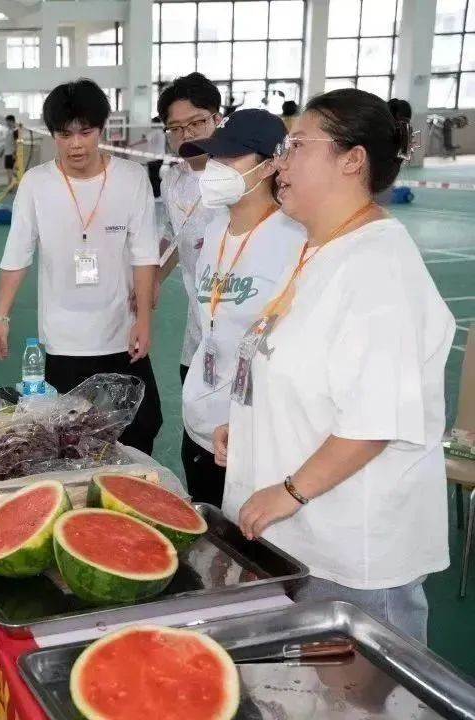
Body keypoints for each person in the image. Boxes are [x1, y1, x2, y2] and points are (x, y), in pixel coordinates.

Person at [215, 89, 454, 642]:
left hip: (349, 556)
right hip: (296, 543)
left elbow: (373, 421)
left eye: (297, 145)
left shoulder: (378, 265)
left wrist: (290, 491)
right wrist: (253, 422)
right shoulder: (320, 247)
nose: (281, 161)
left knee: (365, 688)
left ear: (352, 159)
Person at [0, 78, 163, 455]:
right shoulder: (36, 183)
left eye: (86, 132)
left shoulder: (131, 179)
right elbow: (17, 253)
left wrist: (144, 320)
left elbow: (144, 253)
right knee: (68, 440)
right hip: (63, 337)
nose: (76, 144)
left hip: (120, 331)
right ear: (53, 135)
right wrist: (0, 316)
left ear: (102, 129)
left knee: (142, 425)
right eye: (65, 135)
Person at [176, 109, 305, 507]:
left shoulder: (294, 239)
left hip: (252, 434)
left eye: (231, 158)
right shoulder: (215, 229)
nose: (216, 167)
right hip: (200, 423)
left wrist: (250, 426)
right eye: (215, 156)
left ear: (269, 166)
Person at [157, 72, 224, 388]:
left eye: (197, 122)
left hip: (243, 334)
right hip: (197, 335)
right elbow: (173, 235)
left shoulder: (242, 176)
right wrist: (151, 280)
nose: (187, 134)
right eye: (176, 128)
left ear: (217, 120)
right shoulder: (172, 180)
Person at [4, 114, 19, 186]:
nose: (6, 123)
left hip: (12, 154)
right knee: (8, 170)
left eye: (7, 122)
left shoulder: (15, 131)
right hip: (7, 153)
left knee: (12, 171)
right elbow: (7, 143)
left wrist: (15, 153)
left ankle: (12, 185)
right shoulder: (8, 131)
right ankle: (10, 185)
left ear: (11, 121)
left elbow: (16, 143)